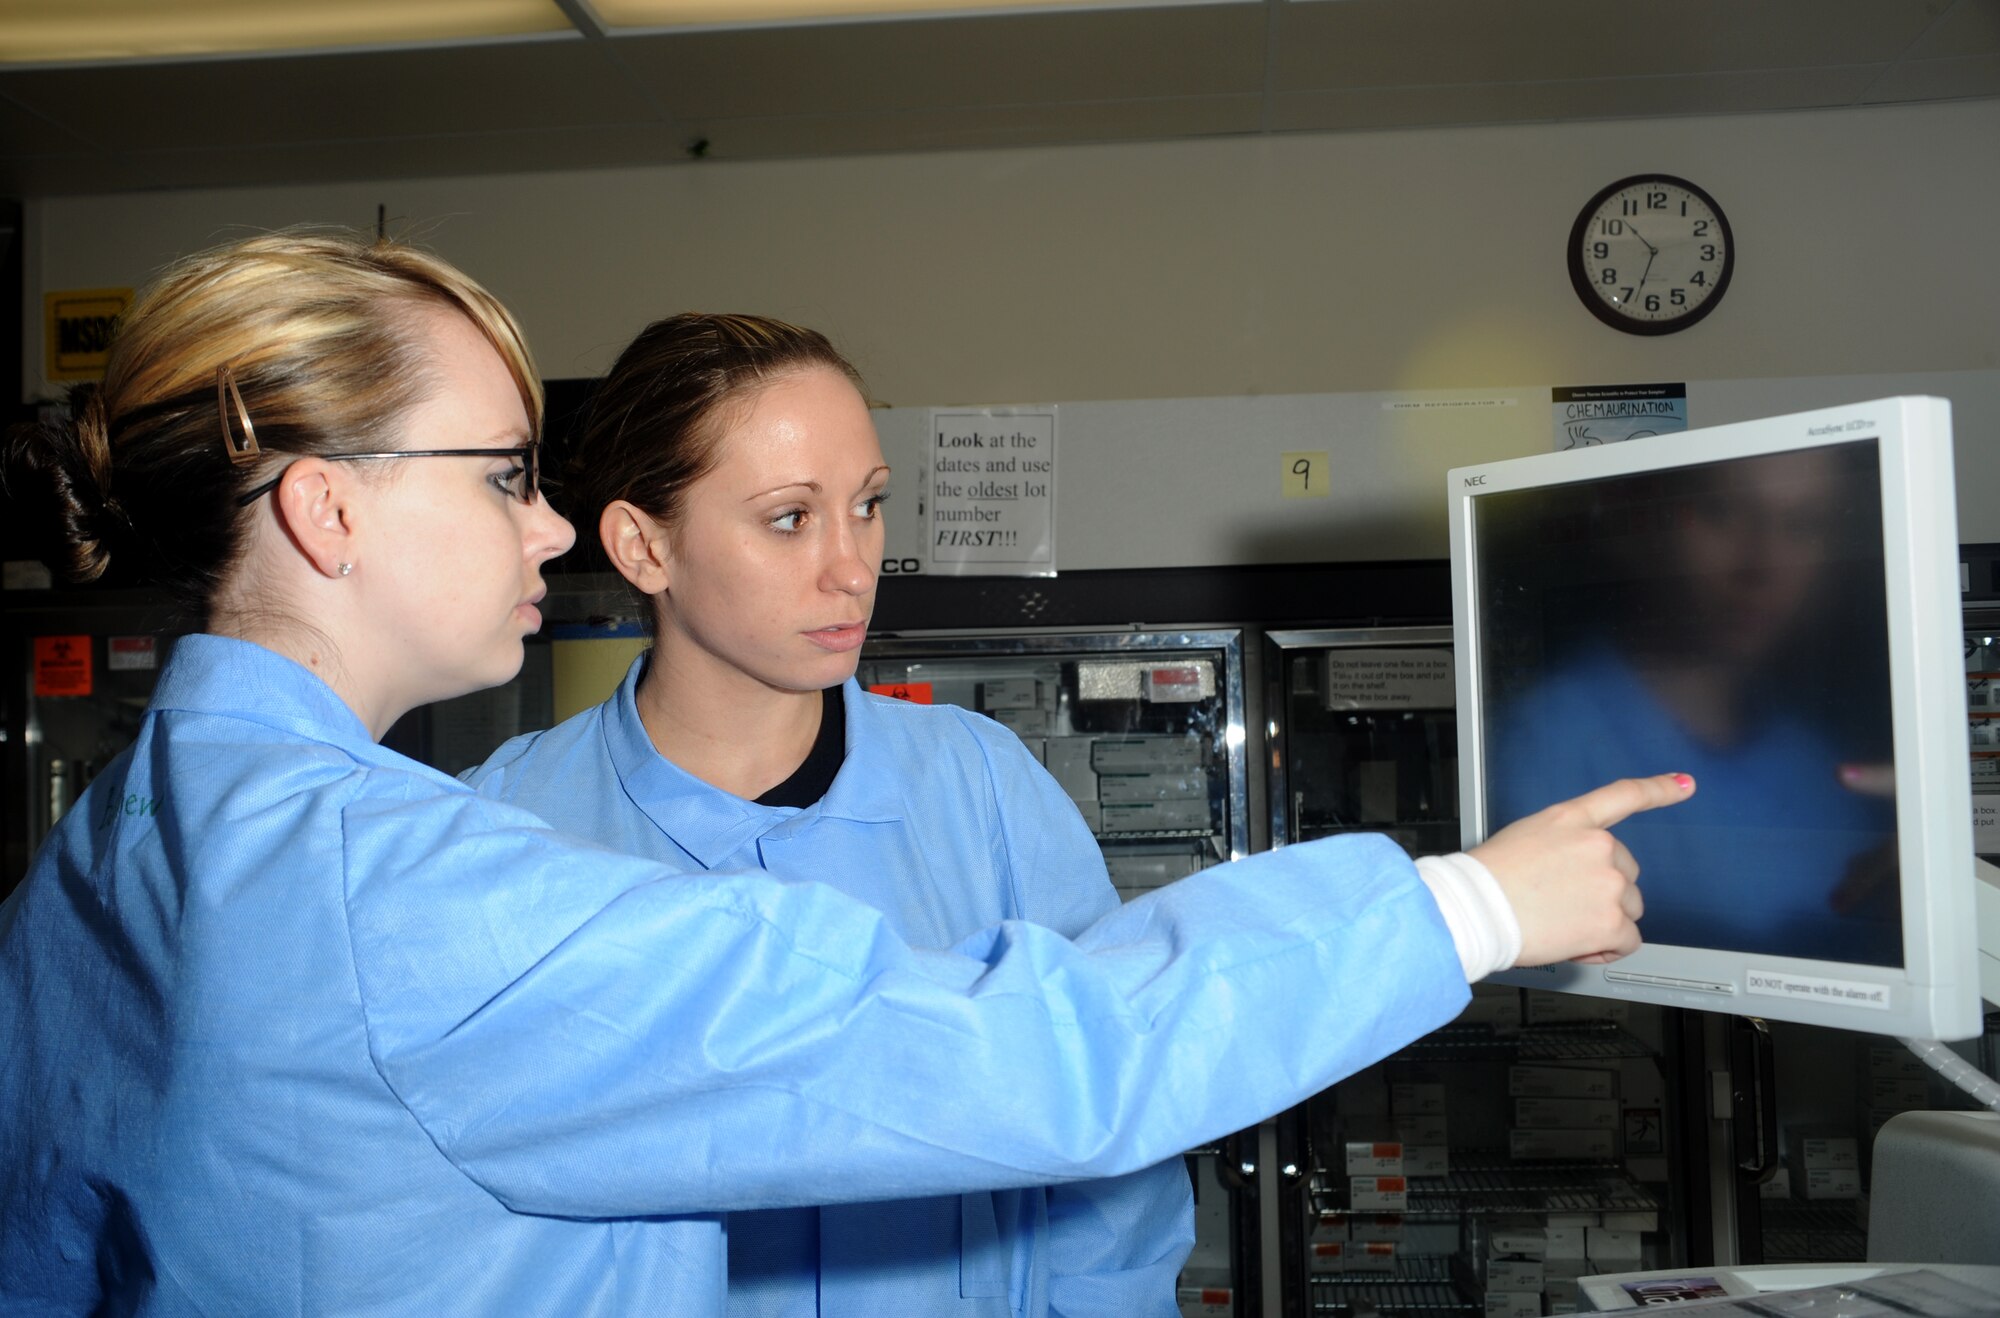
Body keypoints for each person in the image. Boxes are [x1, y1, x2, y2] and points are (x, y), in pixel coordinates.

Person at [0, 232, 1689, 1315]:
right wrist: (1463, 900)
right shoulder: (423, 880)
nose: (544, 521)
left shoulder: (101, 859)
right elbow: (1045, 1051)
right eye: (507, 471)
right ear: (327, 506)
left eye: (865, 505)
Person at [462, 314, 1193, 1318]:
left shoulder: (981, 789)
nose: (853, 568)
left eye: (868, 506)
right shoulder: (505, 825)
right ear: (643, 546)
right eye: (788, 518)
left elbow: (1119, 1158)